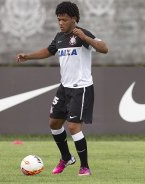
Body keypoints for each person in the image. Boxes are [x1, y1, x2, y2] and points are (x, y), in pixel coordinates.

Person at [16, 1, 108, 176]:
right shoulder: (59, 37)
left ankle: (85, 167)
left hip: (81, 88)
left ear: (74, 19)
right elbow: (49, 51)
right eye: (59, 19)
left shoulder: (82, 35)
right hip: (64, 87)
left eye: (64, 20)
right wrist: (27, 56)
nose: (60, 23)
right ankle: (66, 157)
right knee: (54, 123)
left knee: (73, 127)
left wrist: (85, 37)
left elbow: (104, 48)